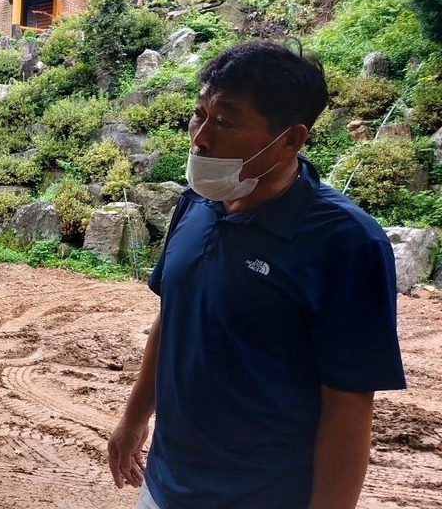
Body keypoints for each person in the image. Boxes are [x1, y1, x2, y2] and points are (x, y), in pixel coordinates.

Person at [107, 41, 406, 509]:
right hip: (165, 486)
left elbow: (348, 407)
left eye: (225, 121)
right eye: (199, 113)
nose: (200, 137)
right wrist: (133, 418)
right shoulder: (194, 204)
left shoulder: (347, 244)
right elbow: (172, 320)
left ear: (291, 139)